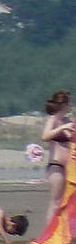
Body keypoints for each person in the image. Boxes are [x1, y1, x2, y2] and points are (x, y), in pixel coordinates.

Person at [41, 90, 72, 227]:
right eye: (69, 102)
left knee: (67, 202)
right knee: (56, 201)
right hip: (56, 166)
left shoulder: (68, 121)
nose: (71, 105)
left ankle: (62, 235)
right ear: (64, 104)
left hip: (69, 167)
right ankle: (49, 233)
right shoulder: (53, 120)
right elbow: (45, 136)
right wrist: (62, 128)